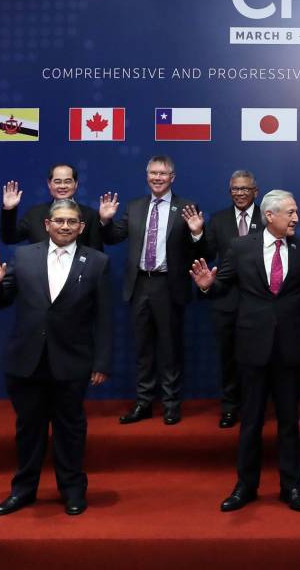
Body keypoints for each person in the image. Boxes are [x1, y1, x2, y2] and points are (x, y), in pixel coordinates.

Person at [0, 199, 111, 516]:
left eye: (72, 222)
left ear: (81, 227)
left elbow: (104, 317)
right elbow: (1, 301)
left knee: (70, 430)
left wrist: (101, 362)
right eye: (59, 221)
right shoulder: (23, 256)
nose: (65, 226)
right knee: (29, 430)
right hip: (26, 361)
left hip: (72, 361)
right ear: (47, 225)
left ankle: (73, 491)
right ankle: (23, 491)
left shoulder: (97, 261)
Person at [190, 190, 300, 513]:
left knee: (289, 422)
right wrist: (207, 285)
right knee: (251, 422)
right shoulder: (240, 247)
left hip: (290, 348)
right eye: (290, 212)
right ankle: (245, 487)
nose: (296, 218)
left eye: (296, 212)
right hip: (252, 347)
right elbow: (222, 286)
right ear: (270, 215)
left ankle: (292, 487)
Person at [99, 155, 205, 426]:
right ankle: (144, 402)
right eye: (153, 173)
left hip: (168, 284)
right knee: (143, 348)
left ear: (172, 177)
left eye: (162, 173)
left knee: (170, 348)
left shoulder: (186, 207)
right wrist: (105, 221)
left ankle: (171, 404)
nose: (157, 178)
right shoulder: (134, 206)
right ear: (147, 176)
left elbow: (200, 252)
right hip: (139, 284)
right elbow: (113, 237)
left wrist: (196, 234)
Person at [203, 170, 261, 428]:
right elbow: (207, 254)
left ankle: (255, 407)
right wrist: (197, 234)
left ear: (255, 191)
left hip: (260, 302)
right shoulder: (217, 220)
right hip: (226, 301)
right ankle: (229, 407)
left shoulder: (268, 217)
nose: (240, 193)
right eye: (235, 189)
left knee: (257, 359)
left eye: (245, 189)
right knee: (228, 359)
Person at [0, 163, 103, 250]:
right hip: (40, 268)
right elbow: (9, 238)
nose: (62, 186)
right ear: (49, 184)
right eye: (57, 182)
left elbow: (97, 255)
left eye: (67, 181)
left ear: (75, 184)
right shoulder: (34, 213)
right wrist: (9, 209)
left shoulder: (90, 215)